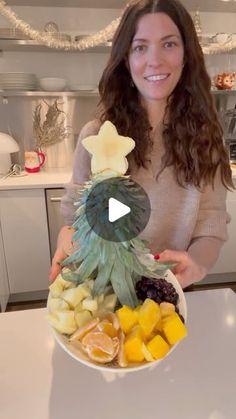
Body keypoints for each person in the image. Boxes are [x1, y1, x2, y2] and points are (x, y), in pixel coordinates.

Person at [49, 0, 234, 288]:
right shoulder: (96, 136)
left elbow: (211, 225)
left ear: (186, 55)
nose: (155, 60)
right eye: (140, 47)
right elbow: (75, 219)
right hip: (107, 290)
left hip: (172, 287)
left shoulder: (207, 139)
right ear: (126, 59)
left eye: (169, 44)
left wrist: (195, 265)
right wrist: (67, 242)